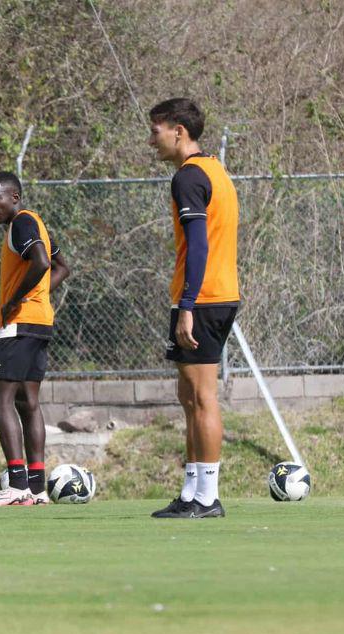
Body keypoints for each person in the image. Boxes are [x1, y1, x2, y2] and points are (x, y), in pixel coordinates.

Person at [147, 98, 239, 519]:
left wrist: (187, 304)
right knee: (188, 396)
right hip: (212, 295)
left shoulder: (188, 176)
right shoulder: (214, 168)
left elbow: (199, 245)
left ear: (178, 131)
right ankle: (190, 493)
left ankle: (207, 497)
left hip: (202, 299)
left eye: (156, 131)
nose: (152, 141)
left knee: (202, 397)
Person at [0, 171, 70, 507]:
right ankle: (37, 487)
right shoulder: (34, 223)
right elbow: (62, 266)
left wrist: (16, 299)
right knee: (27, 402)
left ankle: (17, 484)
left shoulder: (22, 223)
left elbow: (42, 262)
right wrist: (38, 296)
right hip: (40, 322)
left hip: (20, 323)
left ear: (14, 197)